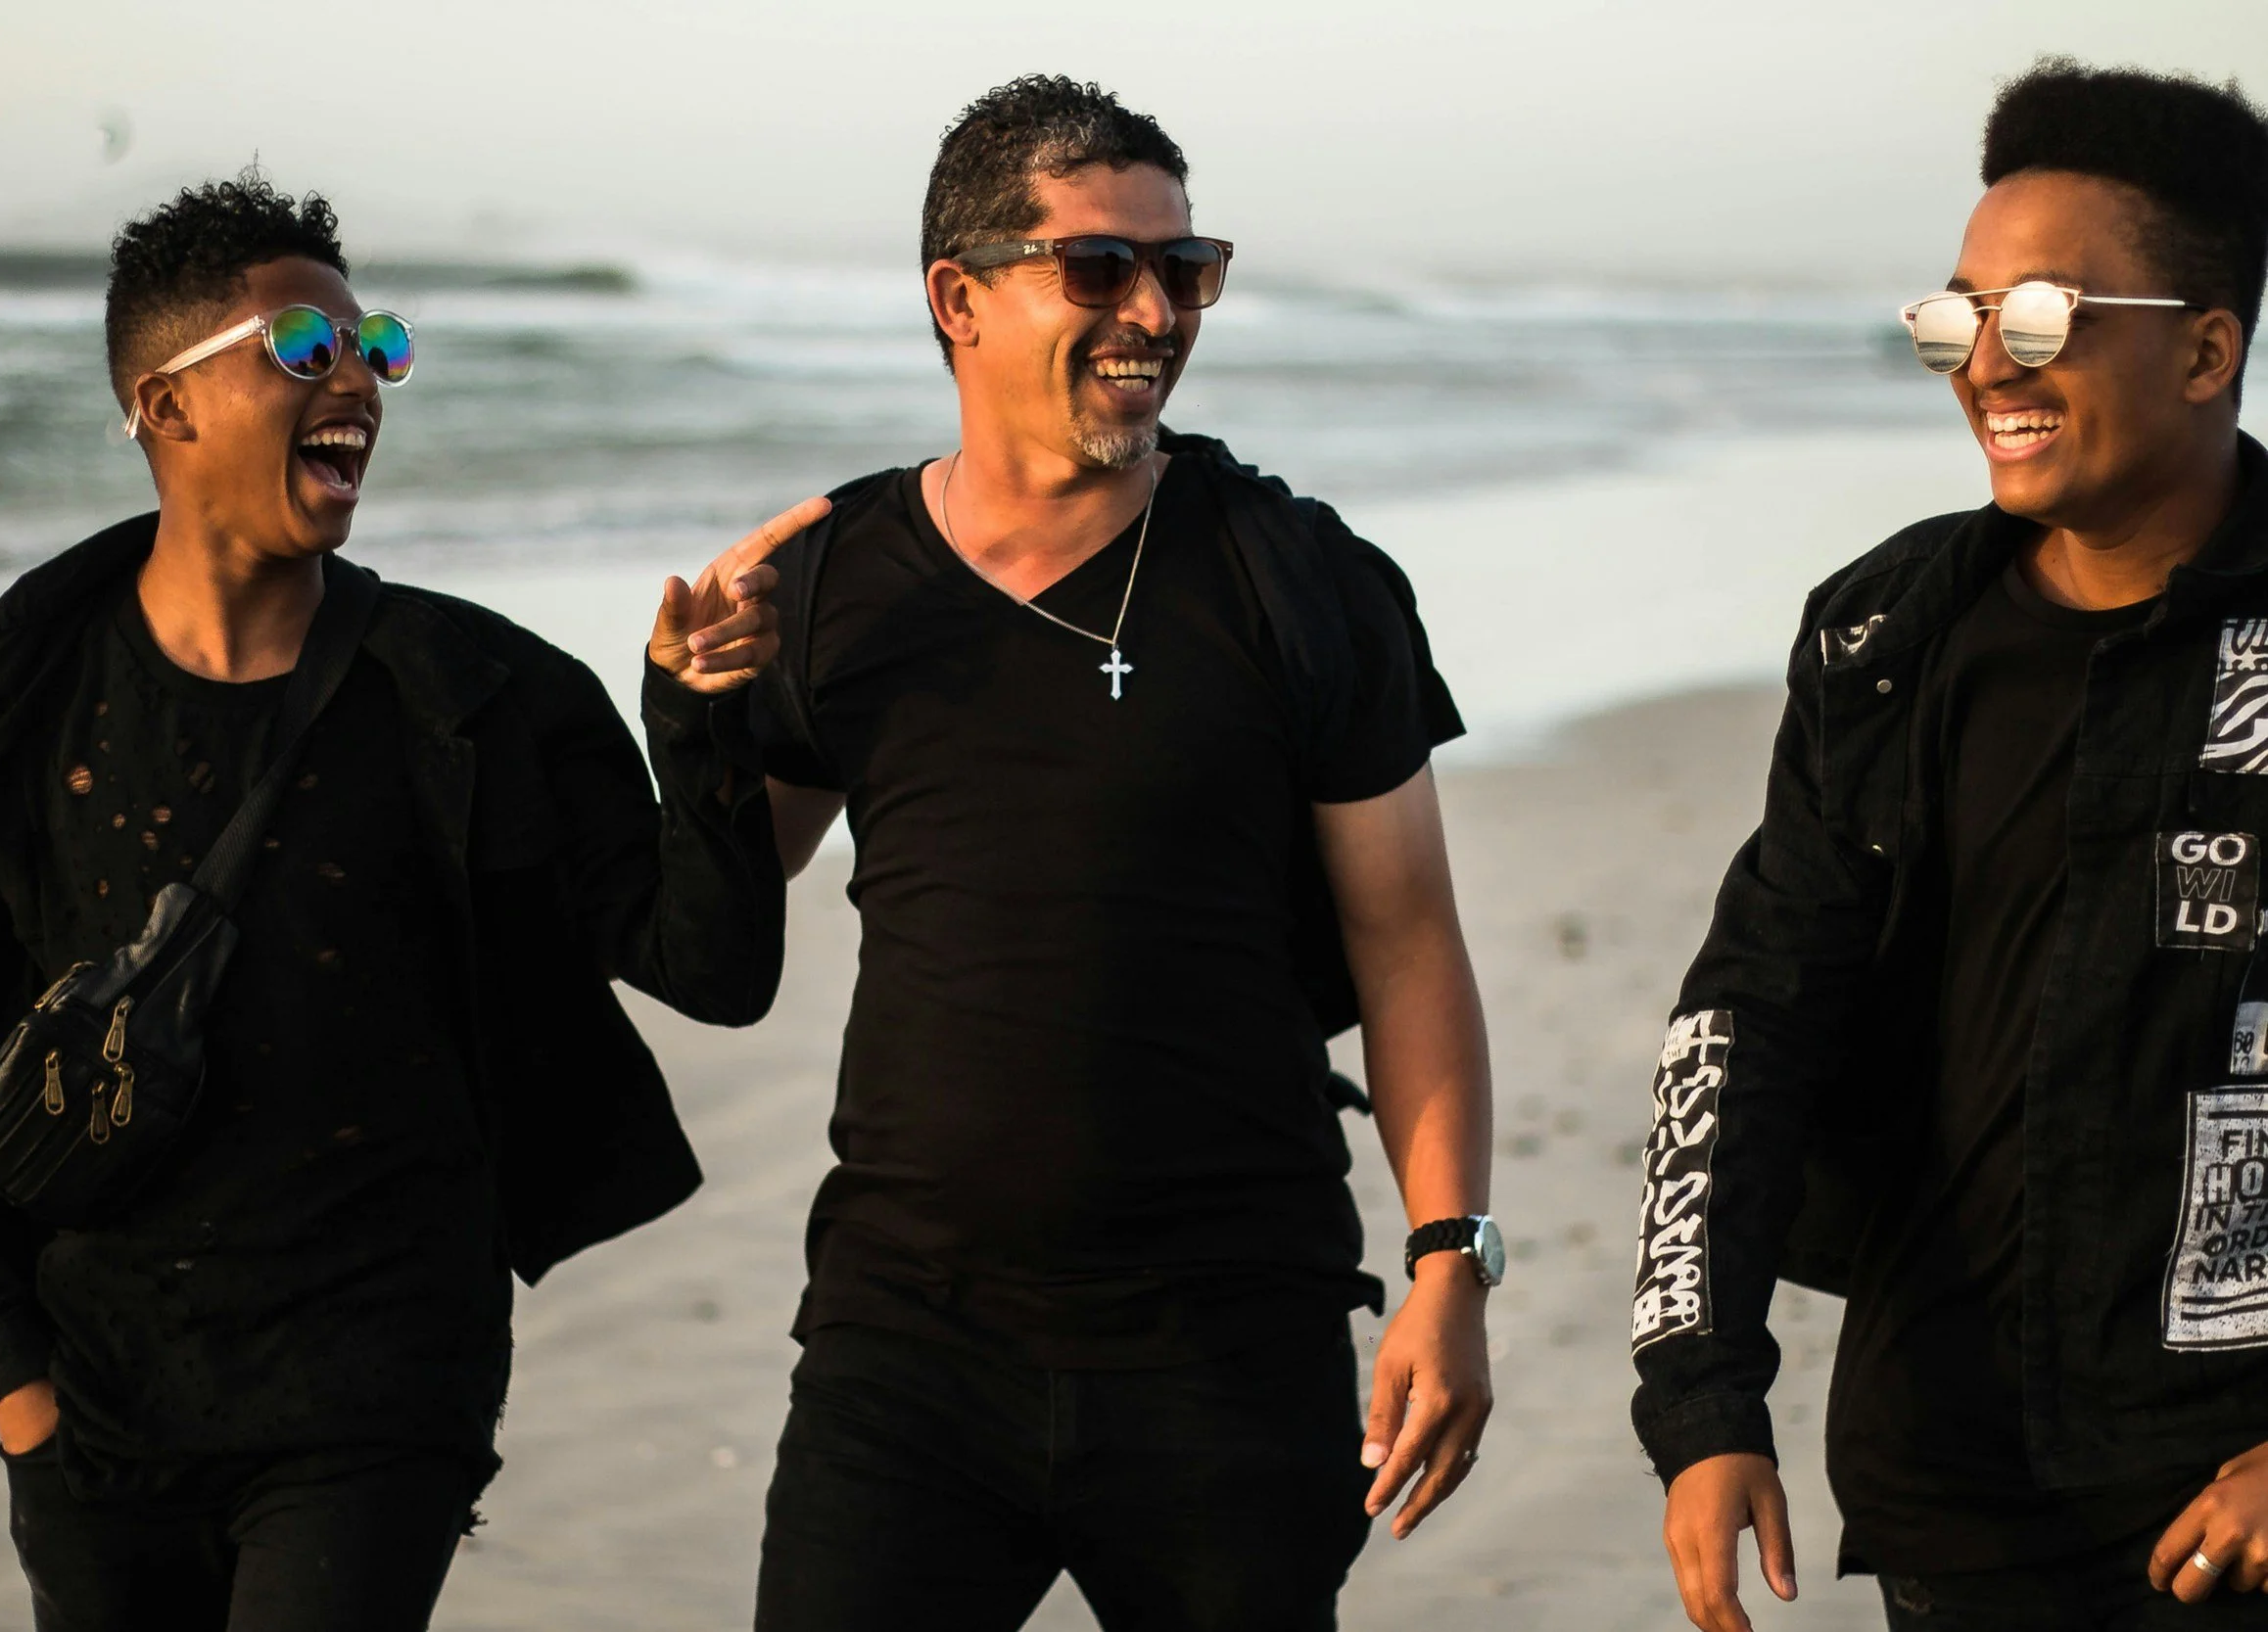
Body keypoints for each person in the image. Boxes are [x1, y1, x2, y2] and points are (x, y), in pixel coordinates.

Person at [0, 170, 814, 1632]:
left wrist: (698, 723)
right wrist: (15, 1390)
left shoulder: (474, 696)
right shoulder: (16, 702)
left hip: (381, 1388)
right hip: (100, 1400)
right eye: (306, 349)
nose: (359, 382)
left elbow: (716, 965)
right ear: (166, 406)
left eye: (375, 346)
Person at [745, 76, 1496, 1631]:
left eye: (1184, 267)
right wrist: (691, 713)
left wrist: (1450, 1263)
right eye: (1099, 267)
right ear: (959, 298)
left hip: (1229, 1343)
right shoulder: (837, 584)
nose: (1153, 312)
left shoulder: (1301, 578)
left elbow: (1408, 938)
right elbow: (714, 916)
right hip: (906, 1348)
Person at [1632, 60, 2268, 1632]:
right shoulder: (1886, 638)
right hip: (1952, 1492)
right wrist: (1702, 1395)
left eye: (2041, 317)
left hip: (2228, 1496)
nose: (1986, 365)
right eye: (1958, 317)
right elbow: (1753, 1009)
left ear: (2206, 349)